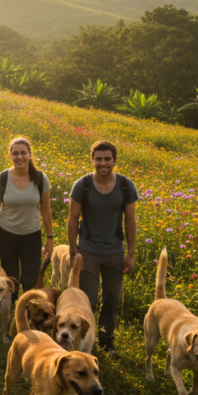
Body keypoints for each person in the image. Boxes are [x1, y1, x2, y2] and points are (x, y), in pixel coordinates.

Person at [67, 140, 137, 357]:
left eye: (107, 159)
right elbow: (72, 219)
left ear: (115, 161)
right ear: (92, 160)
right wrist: (73, 251)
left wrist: (131, 254)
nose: (103, 163)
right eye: (98, 159)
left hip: (115, 251)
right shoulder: (83, 185)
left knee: (111, 299)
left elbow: (130, 220)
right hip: (88, 251)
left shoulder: (126, 186)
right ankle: (85, 341)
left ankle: (107, 341)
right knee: (87, 300)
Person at [0, 137, 53, 301]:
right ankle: (10, 309)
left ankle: (27, 310)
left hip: (32, 235)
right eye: (15, 153)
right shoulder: (2, 179)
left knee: (31, 277)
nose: (19, 157)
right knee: (10, 277)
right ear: (10, 155)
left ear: (30, 155)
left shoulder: (40, 179)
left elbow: (45, 209)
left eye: (23, 153)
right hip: (6, 235)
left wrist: (50, 238)